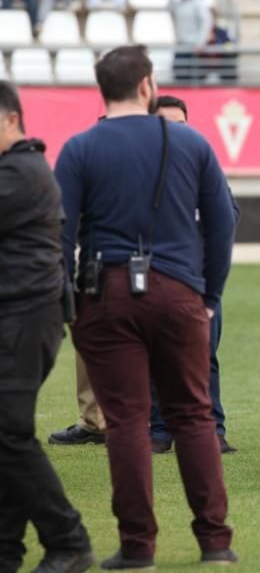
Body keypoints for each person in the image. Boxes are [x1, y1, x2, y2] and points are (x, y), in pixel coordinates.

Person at [55, 45, 237, 569]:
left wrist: (69, 301)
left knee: (128, 422)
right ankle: (215, 542)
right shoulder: (190, 142)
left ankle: (138, 547)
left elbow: (60, 233)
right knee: (194, 416)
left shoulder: (79, 148)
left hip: (106, 293)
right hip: (179, 291)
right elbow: (222, 221)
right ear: (146, 85)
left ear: (102, 89)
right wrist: (209, 295)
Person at [0, 81, 96, 573]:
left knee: (9, 433)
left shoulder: (22, 171)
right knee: (6, 434)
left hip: (25, 318)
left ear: (11, 119)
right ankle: (8, 549)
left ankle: (68, 539)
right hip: (20, 317)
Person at [148, 95, 238, 456]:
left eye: (180, 124)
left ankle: (212, 428)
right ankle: (159, 429)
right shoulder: (139, 171)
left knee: (205, 355)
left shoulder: (204, 166)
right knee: (157, 356)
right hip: (153, 278)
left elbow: (228, 215)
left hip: (198, 280)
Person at [169, 0, 212, 83]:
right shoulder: (180, 3)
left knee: (193, 79)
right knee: (179, 76)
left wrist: (201, 42)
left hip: (193, 46)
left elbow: (206, 22)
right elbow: (169, 8)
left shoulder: (198, 2)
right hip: (181, 44)